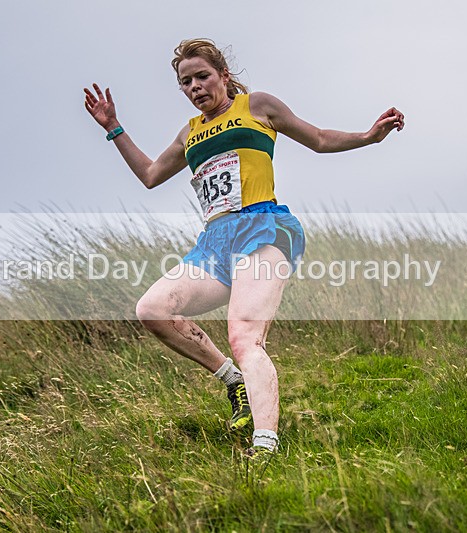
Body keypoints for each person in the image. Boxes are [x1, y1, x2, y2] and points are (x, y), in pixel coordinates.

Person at [84, 38, 404, 461]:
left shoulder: (258, 107)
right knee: (152, 309)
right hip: (215, 245)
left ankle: (265, 446)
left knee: (245, 335)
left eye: (203, 76)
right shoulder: (189, 133)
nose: (195, 86)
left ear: (224, 76)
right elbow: (149, 174)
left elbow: (320, 139)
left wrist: (368, 137)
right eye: (186, 82)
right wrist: (113, 128)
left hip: (263, 230)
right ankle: (232, 381)